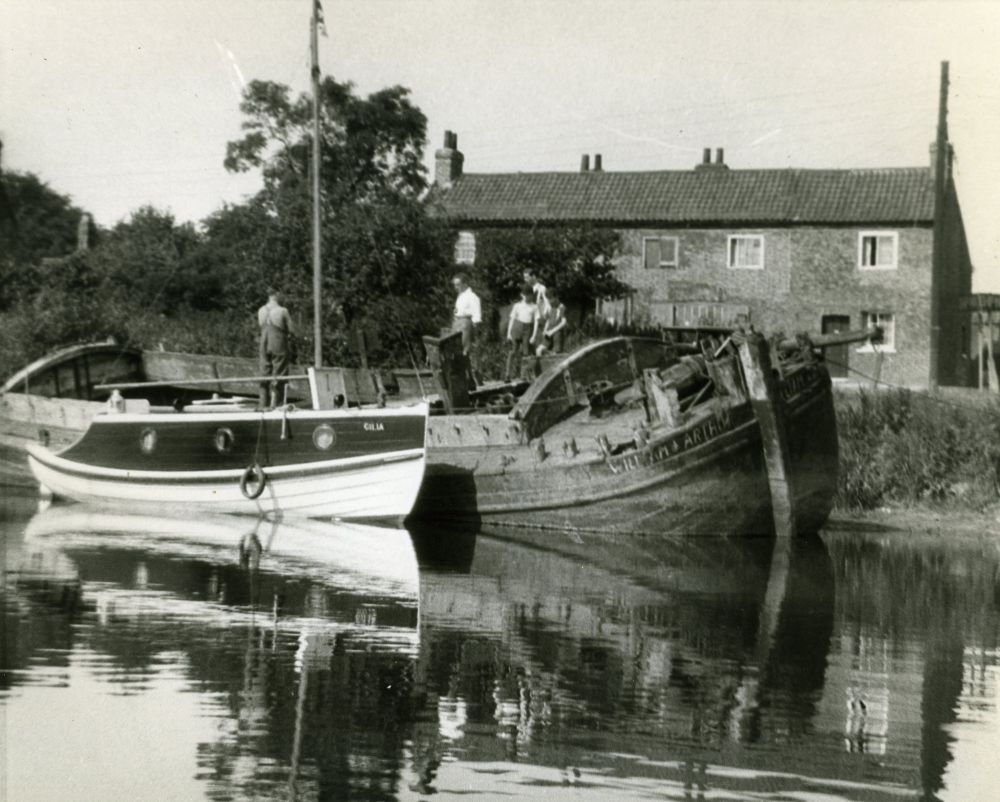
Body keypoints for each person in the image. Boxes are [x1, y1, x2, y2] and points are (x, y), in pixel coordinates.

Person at [257, 288, 293, 408]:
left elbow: (260, 327)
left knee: (264, 372)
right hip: (278, 341)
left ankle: (263, 404)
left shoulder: (261, 310)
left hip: (264, 342)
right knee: (280, 371)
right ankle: (277, 404)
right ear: (277, 295)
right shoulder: (283, 311)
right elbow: (292, 330)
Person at [505, 283, 539, 381]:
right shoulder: (517, 306)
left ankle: (523, 375)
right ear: (522, 295)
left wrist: (534, 335)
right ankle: (508, 374)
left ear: (532, 295)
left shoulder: (534, 307)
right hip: (517, 328)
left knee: (526, 353)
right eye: (525, 295)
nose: (527, 297)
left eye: (529, 295)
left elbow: (536, 321)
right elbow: (512, 319)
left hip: (528, 329)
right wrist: (508, 333)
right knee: (513, 351)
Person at [451, 272, 482, 356]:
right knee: (454, 350)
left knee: (464, 350)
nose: (456, 287)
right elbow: (456, 310)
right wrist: (454, 319)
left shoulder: (472, 296)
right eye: (454, 285)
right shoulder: (460, 297)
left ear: (465, 284)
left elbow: (476, 316)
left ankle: (465, 367)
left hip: (465, 325)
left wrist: (475, 334)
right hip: (456, 324)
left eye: (458, 285)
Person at [539, 290, 567, 354]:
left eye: (551, 299)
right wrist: (545, 330)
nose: (549, 301)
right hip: (549, 332)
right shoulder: (551, 307)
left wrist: (553, 331)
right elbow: (548, 320)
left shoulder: (561, 307)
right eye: (548, 299)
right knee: (539, 350)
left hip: (557, 333)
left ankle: (553, 354)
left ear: (556, 297)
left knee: (555, 352)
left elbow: (564, 322)